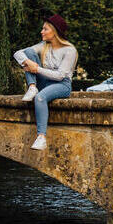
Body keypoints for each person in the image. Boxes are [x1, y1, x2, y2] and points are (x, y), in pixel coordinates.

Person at [12, 14, 78, 150]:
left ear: (54, 31)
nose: (42, 32)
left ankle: (41, 137)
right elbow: (18, 53)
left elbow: (60, 76)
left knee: (40, 98)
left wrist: (37, 69)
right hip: (45, 81)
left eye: (45, 29)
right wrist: (29, 62)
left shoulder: (70, 50)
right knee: (29, 52)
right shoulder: (44, 46)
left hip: (61, 85)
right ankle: (32, 86)